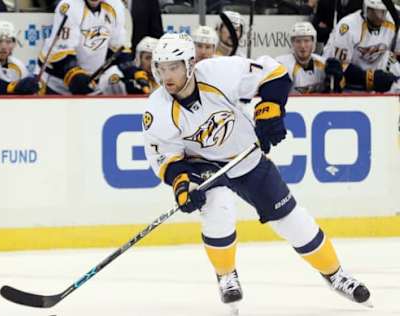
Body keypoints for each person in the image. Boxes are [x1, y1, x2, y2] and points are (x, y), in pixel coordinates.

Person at [143, 32, 372, 313]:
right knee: (217, 208)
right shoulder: (157, 108)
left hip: (244, 155)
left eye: (173, 67)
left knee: (291, 219)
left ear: (190, 63)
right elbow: (166, 158)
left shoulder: (218, 71)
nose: (167, 75)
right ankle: (226, 275)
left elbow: (274, 74)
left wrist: (269, 110)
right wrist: (182, 186)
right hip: (202, 164)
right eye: (161, 68)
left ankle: (335, 274)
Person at [38, 0, 149, 95]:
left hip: (90, 81)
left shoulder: (116, 6)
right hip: (54, 81)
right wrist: (75, 74)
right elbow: (62, 53)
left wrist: (132, 71)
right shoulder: (69, 6)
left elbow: (119, 50)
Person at [322, 0, 400, 92]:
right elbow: (339, 66)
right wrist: (369, 78)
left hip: (375, 77)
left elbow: (396, 53)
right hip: (349, 81)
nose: (378, 17)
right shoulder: (347, 26)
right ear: (365, 8)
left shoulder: (393, 22)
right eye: (373, 12)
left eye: (382, 12)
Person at [276, 22, 328, 94]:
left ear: (313, 42)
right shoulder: (282, 65)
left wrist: (337, 81)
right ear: (292, 43)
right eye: (298, 41)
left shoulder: (324, 64)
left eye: (306, 41)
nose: (302, 46)